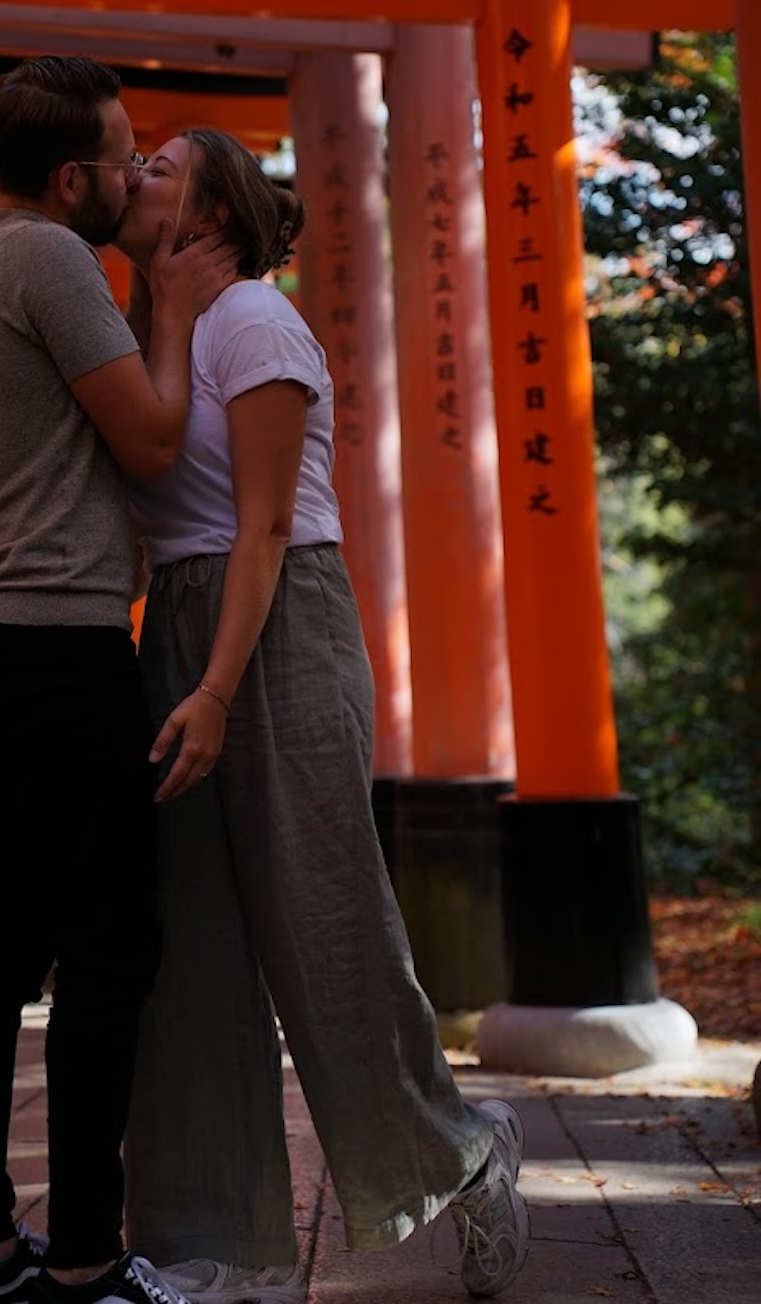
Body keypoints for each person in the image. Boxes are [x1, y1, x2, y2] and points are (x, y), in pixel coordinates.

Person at [114, 129, 531, 1301]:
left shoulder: (254, 318)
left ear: (211, 208)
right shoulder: (168, 324)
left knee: (325, 930)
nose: (135, 167)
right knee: (185, 947)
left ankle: (466, 1147)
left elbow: (262, 528)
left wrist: (211, 688)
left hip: (278, 621)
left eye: (159, 160)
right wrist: (159, 308)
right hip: (182, 625)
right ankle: (215, 1244)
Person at [0, 57, 233, 1304]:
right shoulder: (50, 260)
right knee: (108, 951)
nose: (135, 169)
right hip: (55, 644)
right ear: (69, 178)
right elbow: (153, 440)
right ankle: (91, 1263)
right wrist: (170, 297)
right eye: (122, 155)